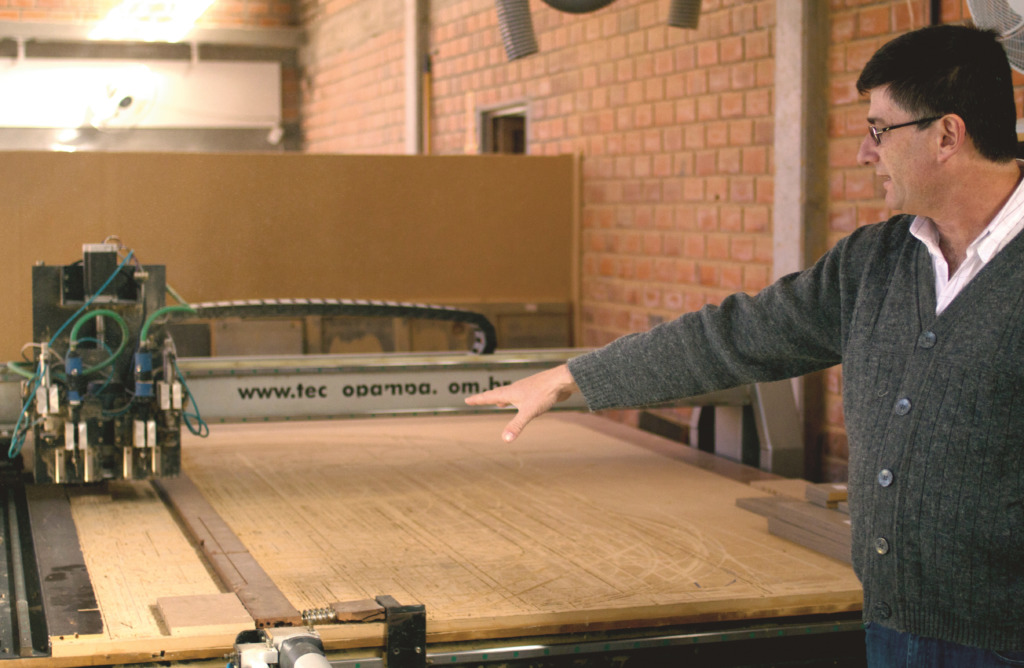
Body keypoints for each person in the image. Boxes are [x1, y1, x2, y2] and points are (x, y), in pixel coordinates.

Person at [466, 24, 1024, 666]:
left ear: (947, 135)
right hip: (893, 626)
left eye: (879, 130)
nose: (864, 153)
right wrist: (575, 376)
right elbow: (735, 336)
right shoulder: (874, 261)